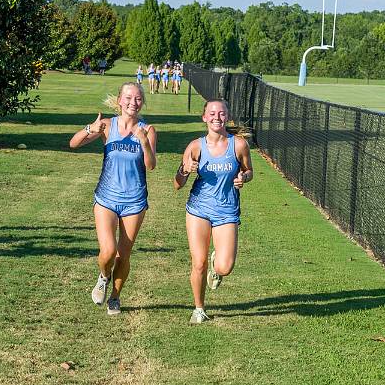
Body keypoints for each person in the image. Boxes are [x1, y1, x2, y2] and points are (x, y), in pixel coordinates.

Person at [69, 82, 157, 315]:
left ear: (142, 102)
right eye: (128, 98)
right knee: (107, 251)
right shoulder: (107, 125)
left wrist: (144, 142)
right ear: (119, 100)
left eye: (138, 99)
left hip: (135, 202)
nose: (133, 103)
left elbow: (151, 165)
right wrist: (91, 128)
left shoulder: (148, 130)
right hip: (106, 197)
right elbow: (73, 144)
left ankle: (115, 297)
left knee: (123, 254)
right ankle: (103, 276)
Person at [173, 100, 253, 324]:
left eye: (221, 113)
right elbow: (177, 184)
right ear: (204, 118)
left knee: (224, 267)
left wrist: (243, 177)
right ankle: (199, 308)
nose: (217, 117)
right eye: (212, 113)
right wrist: (185, 170)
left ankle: (216, 266)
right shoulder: (195, 147)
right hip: (198, 209)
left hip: (227, 211)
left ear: (227, 117)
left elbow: (249, 171)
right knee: (198, 263)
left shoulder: (238, 145)